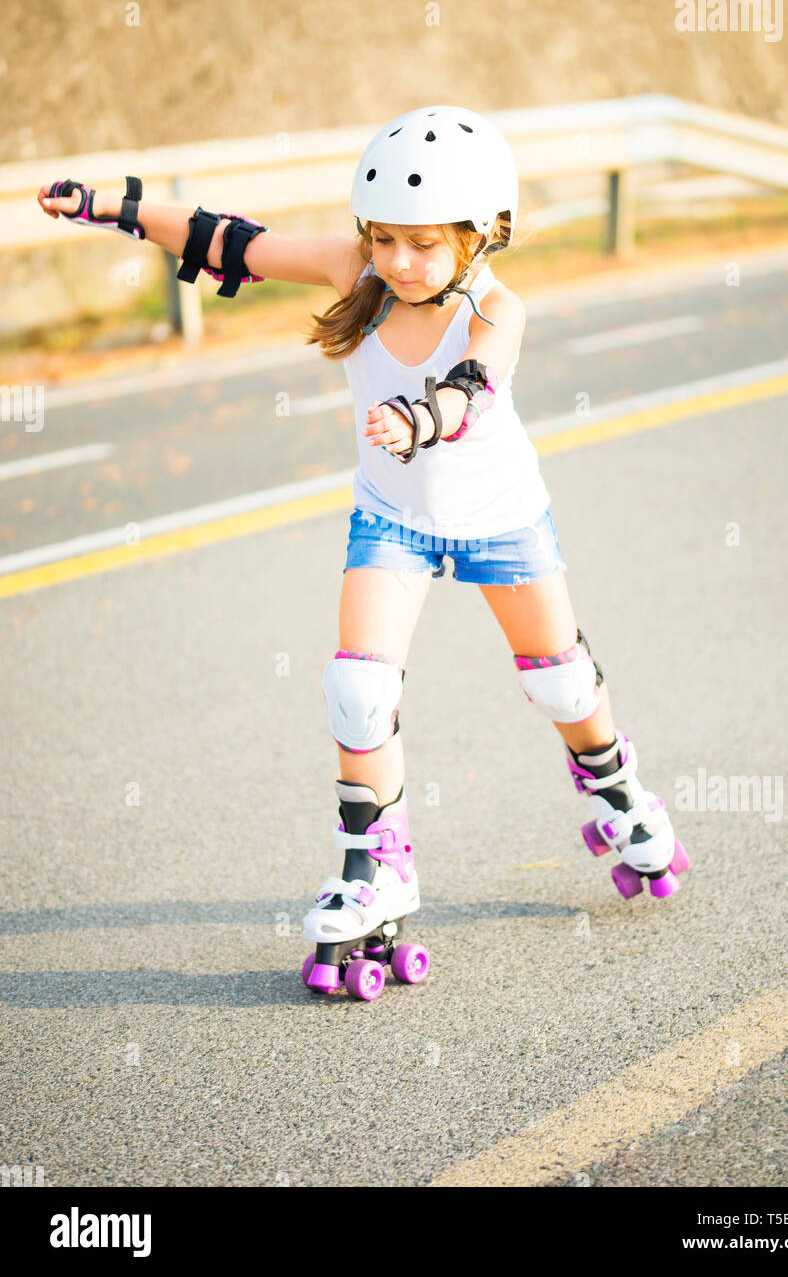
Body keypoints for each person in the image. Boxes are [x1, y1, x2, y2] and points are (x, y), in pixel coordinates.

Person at [38, 104, 689, 1002]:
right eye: (382, 238)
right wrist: (112, 205)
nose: (398, 262)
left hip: (500, 518)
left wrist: (423, 417)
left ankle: (619, 797)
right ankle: (375, 869)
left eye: (423, 244)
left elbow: (475, 386)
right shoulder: (361, 273)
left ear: (480, 234)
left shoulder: (498, 306)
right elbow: (235, 243)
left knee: (560, 682)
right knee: (357, 687)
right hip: (391, 517)